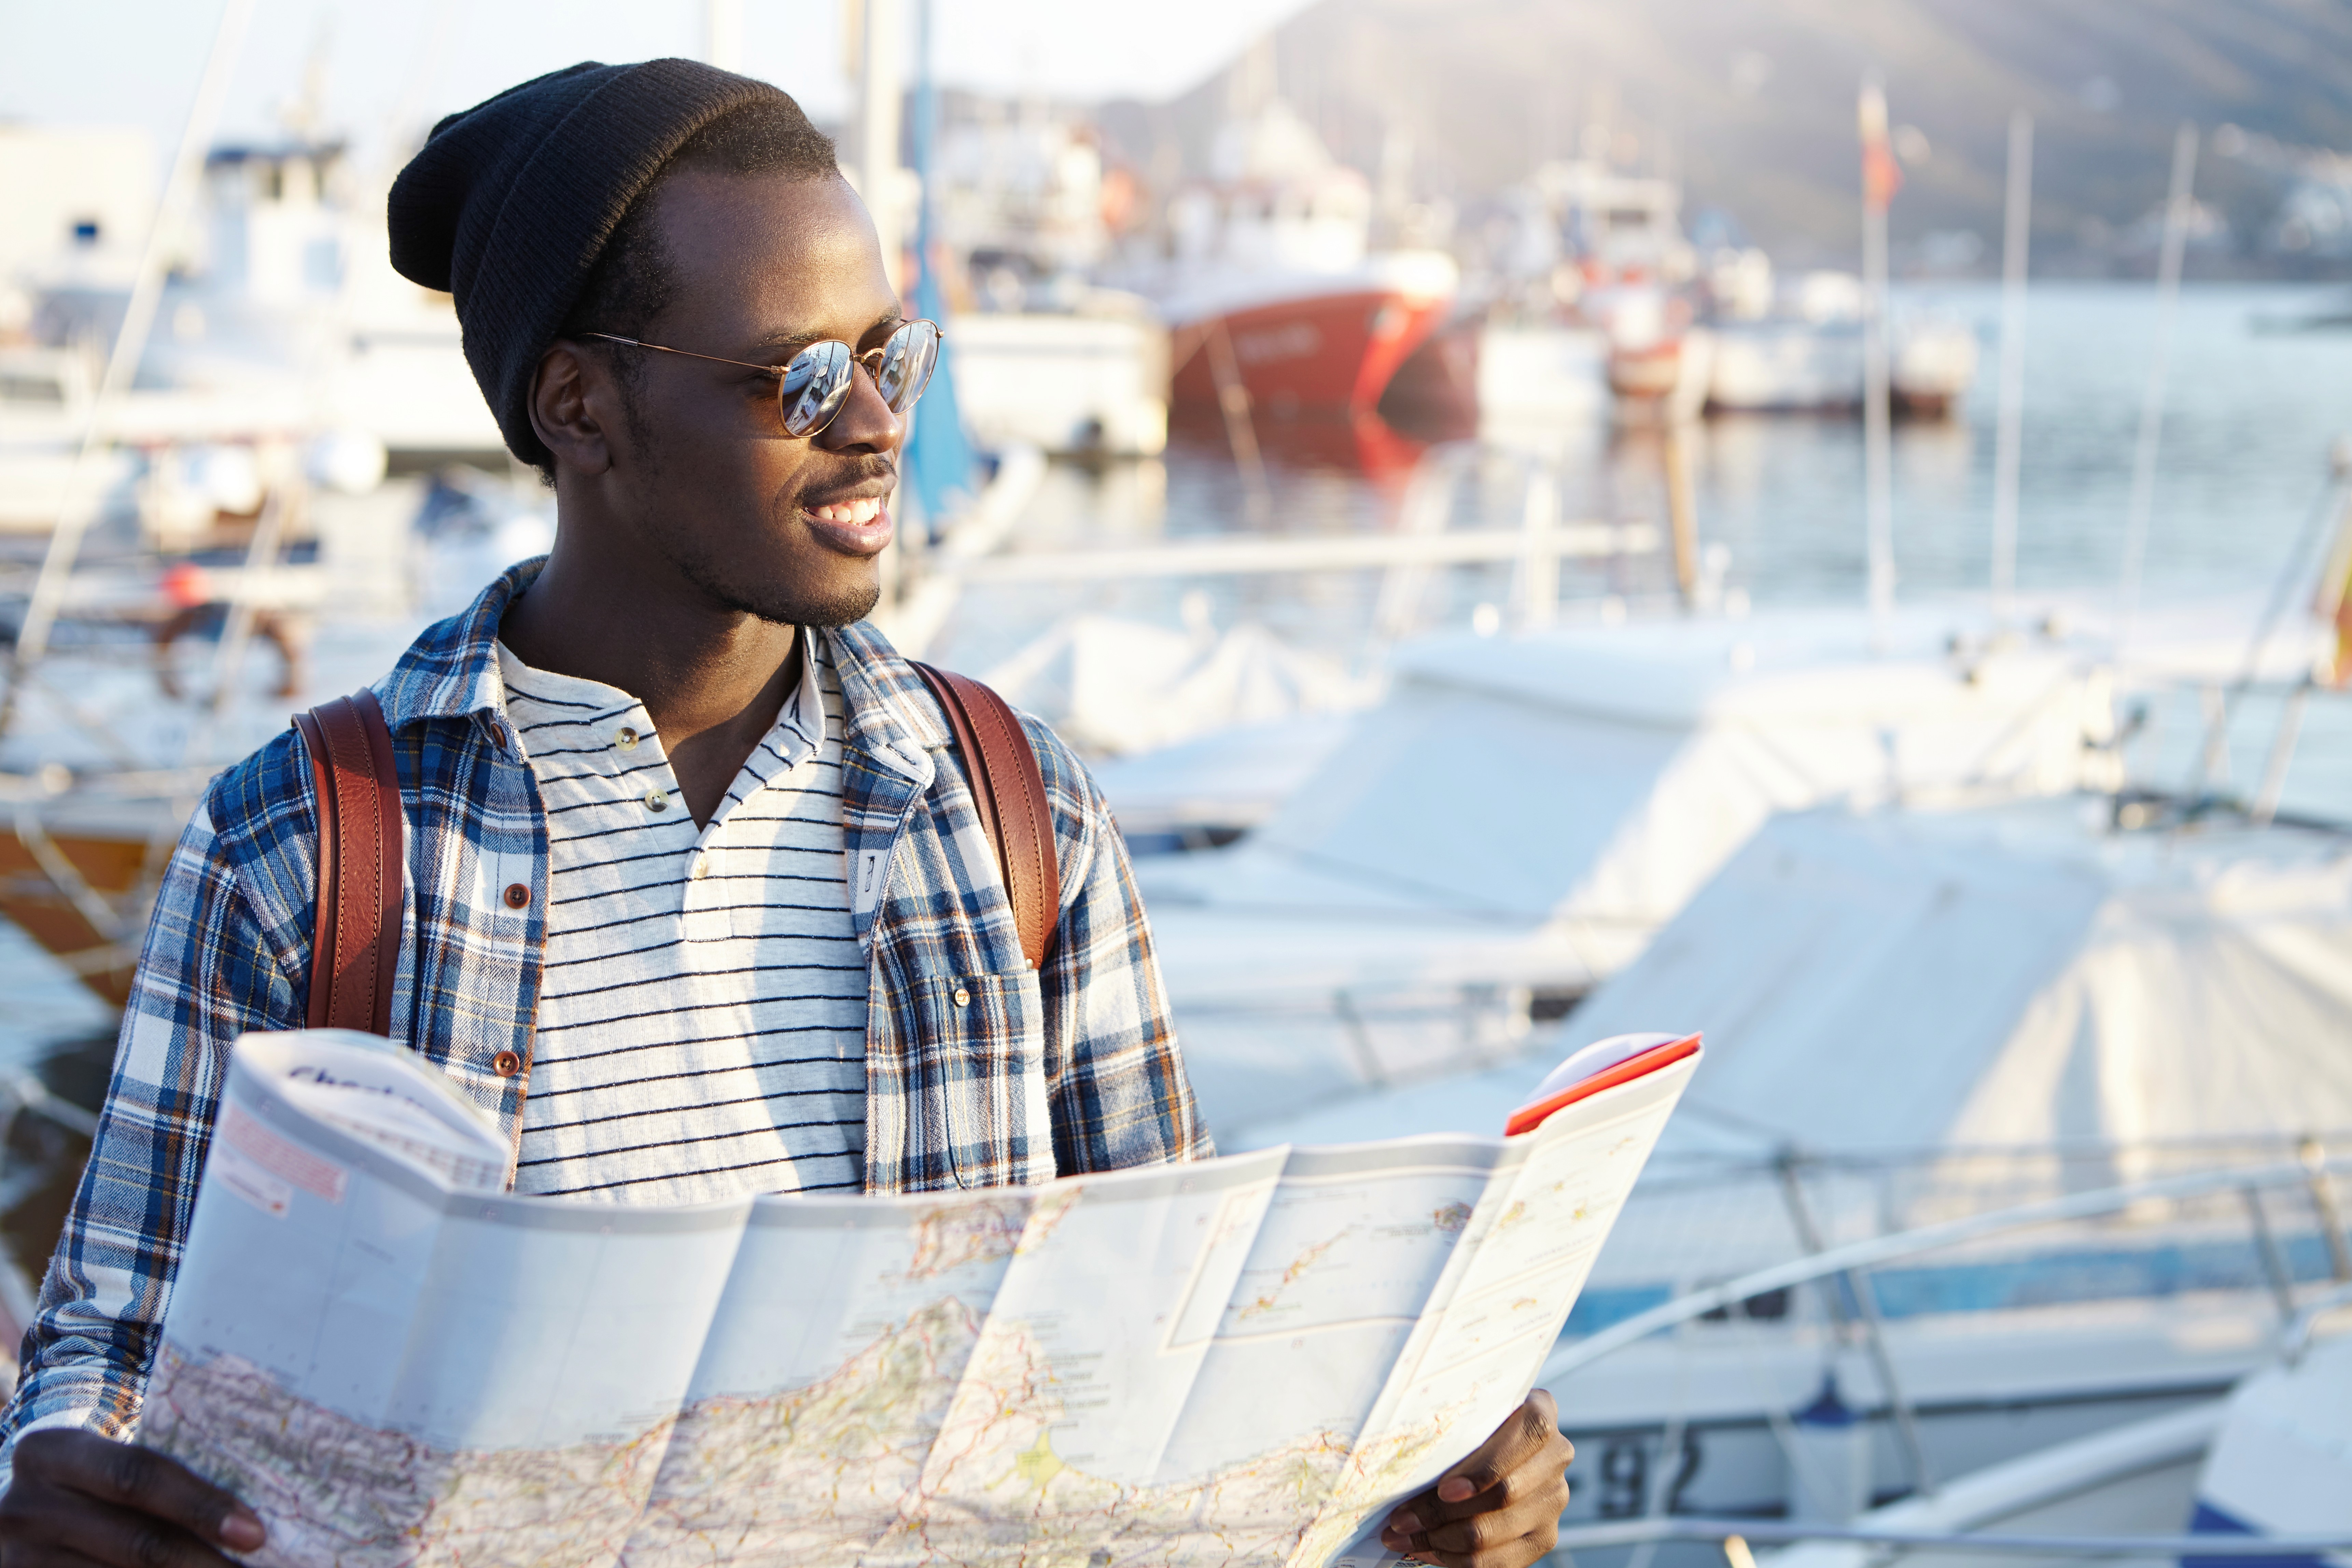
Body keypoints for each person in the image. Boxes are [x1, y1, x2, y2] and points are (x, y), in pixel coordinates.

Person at [0, 61, 1574, 1568]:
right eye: (801, 377)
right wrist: (58, 1470)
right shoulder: (307, 841)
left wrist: (1426, 1483)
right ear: (580, 407)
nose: (876, 424)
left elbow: (1167, 1368)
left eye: (893, 357)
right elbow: (114, 1337)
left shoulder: (1021, 814)